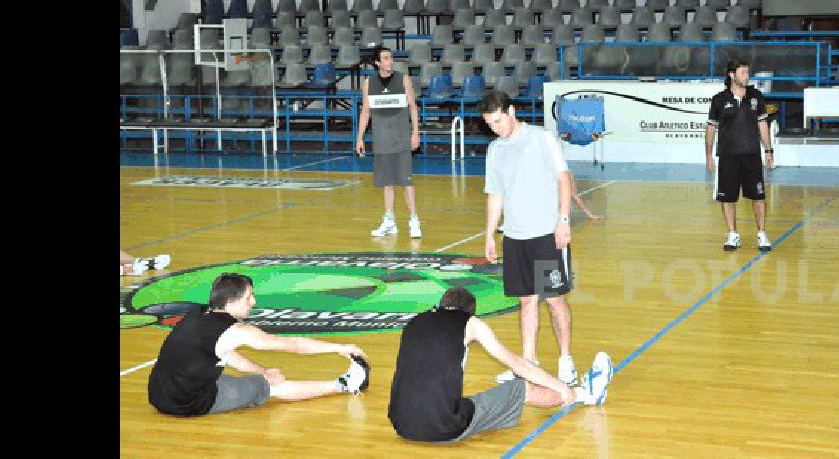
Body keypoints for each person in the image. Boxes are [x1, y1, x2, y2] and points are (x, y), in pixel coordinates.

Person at [388, 287, 612, 442]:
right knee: (520, 388)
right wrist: (561, 386)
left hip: (400, 423)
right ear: (470, 312)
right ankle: (585, 394)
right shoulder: (471, 324)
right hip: (443, 426)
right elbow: (519, 366)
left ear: (443, 304)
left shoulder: (414, 322)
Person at [148, 273, 370, 416]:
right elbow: (293, 345)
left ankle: (258, 380)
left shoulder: (197, 312)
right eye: (249, 297)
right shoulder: (235, 331)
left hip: (159, 393)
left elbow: (227, 355)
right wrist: (339, 347)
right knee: (272, 387)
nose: (253, 302)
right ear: (232, 302)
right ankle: (346, 384)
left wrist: (262, 371)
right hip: (188, 402)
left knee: (257, 378)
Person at [479, 91, 580, 386]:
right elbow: (495, 195)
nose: (495, 128)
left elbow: (564, 178)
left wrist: (563, 221)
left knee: (555, 300)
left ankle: (565, 361)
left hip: (546, 235)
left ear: (511, 111)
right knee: (526, 302)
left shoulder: (541, 138)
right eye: (489, 124)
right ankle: (527, 364)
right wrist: (489, 235)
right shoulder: (495, 150)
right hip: (515, 237)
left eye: (498, 121)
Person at [705, 60, 775, 252]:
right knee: (727, 198)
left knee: (759, 197)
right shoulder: (719, 99)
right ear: (732, 75)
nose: (747, 75)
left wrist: (769, 150)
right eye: (743, 72)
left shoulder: (756, 97)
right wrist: (708, 156)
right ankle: (732, 234)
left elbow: (763, 125)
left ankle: (761, 234)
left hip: (752, 155)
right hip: (728, 156)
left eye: (747, 72)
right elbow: (711, 128)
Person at [356, 46, 423, 239]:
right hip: (381, 140)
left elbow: (413, 108)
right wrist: (359, 137)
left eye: (391, 57)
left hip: (401, 138)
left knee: (406, 182)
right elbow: (366, 111)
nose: (390, 61)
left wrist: (415, 133)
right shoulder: (369, 82)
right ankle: (389, 221)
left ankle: (414, 220)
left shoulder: (403, 79)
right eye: (385, 58)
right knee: (387, 183)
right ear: (377, 62)